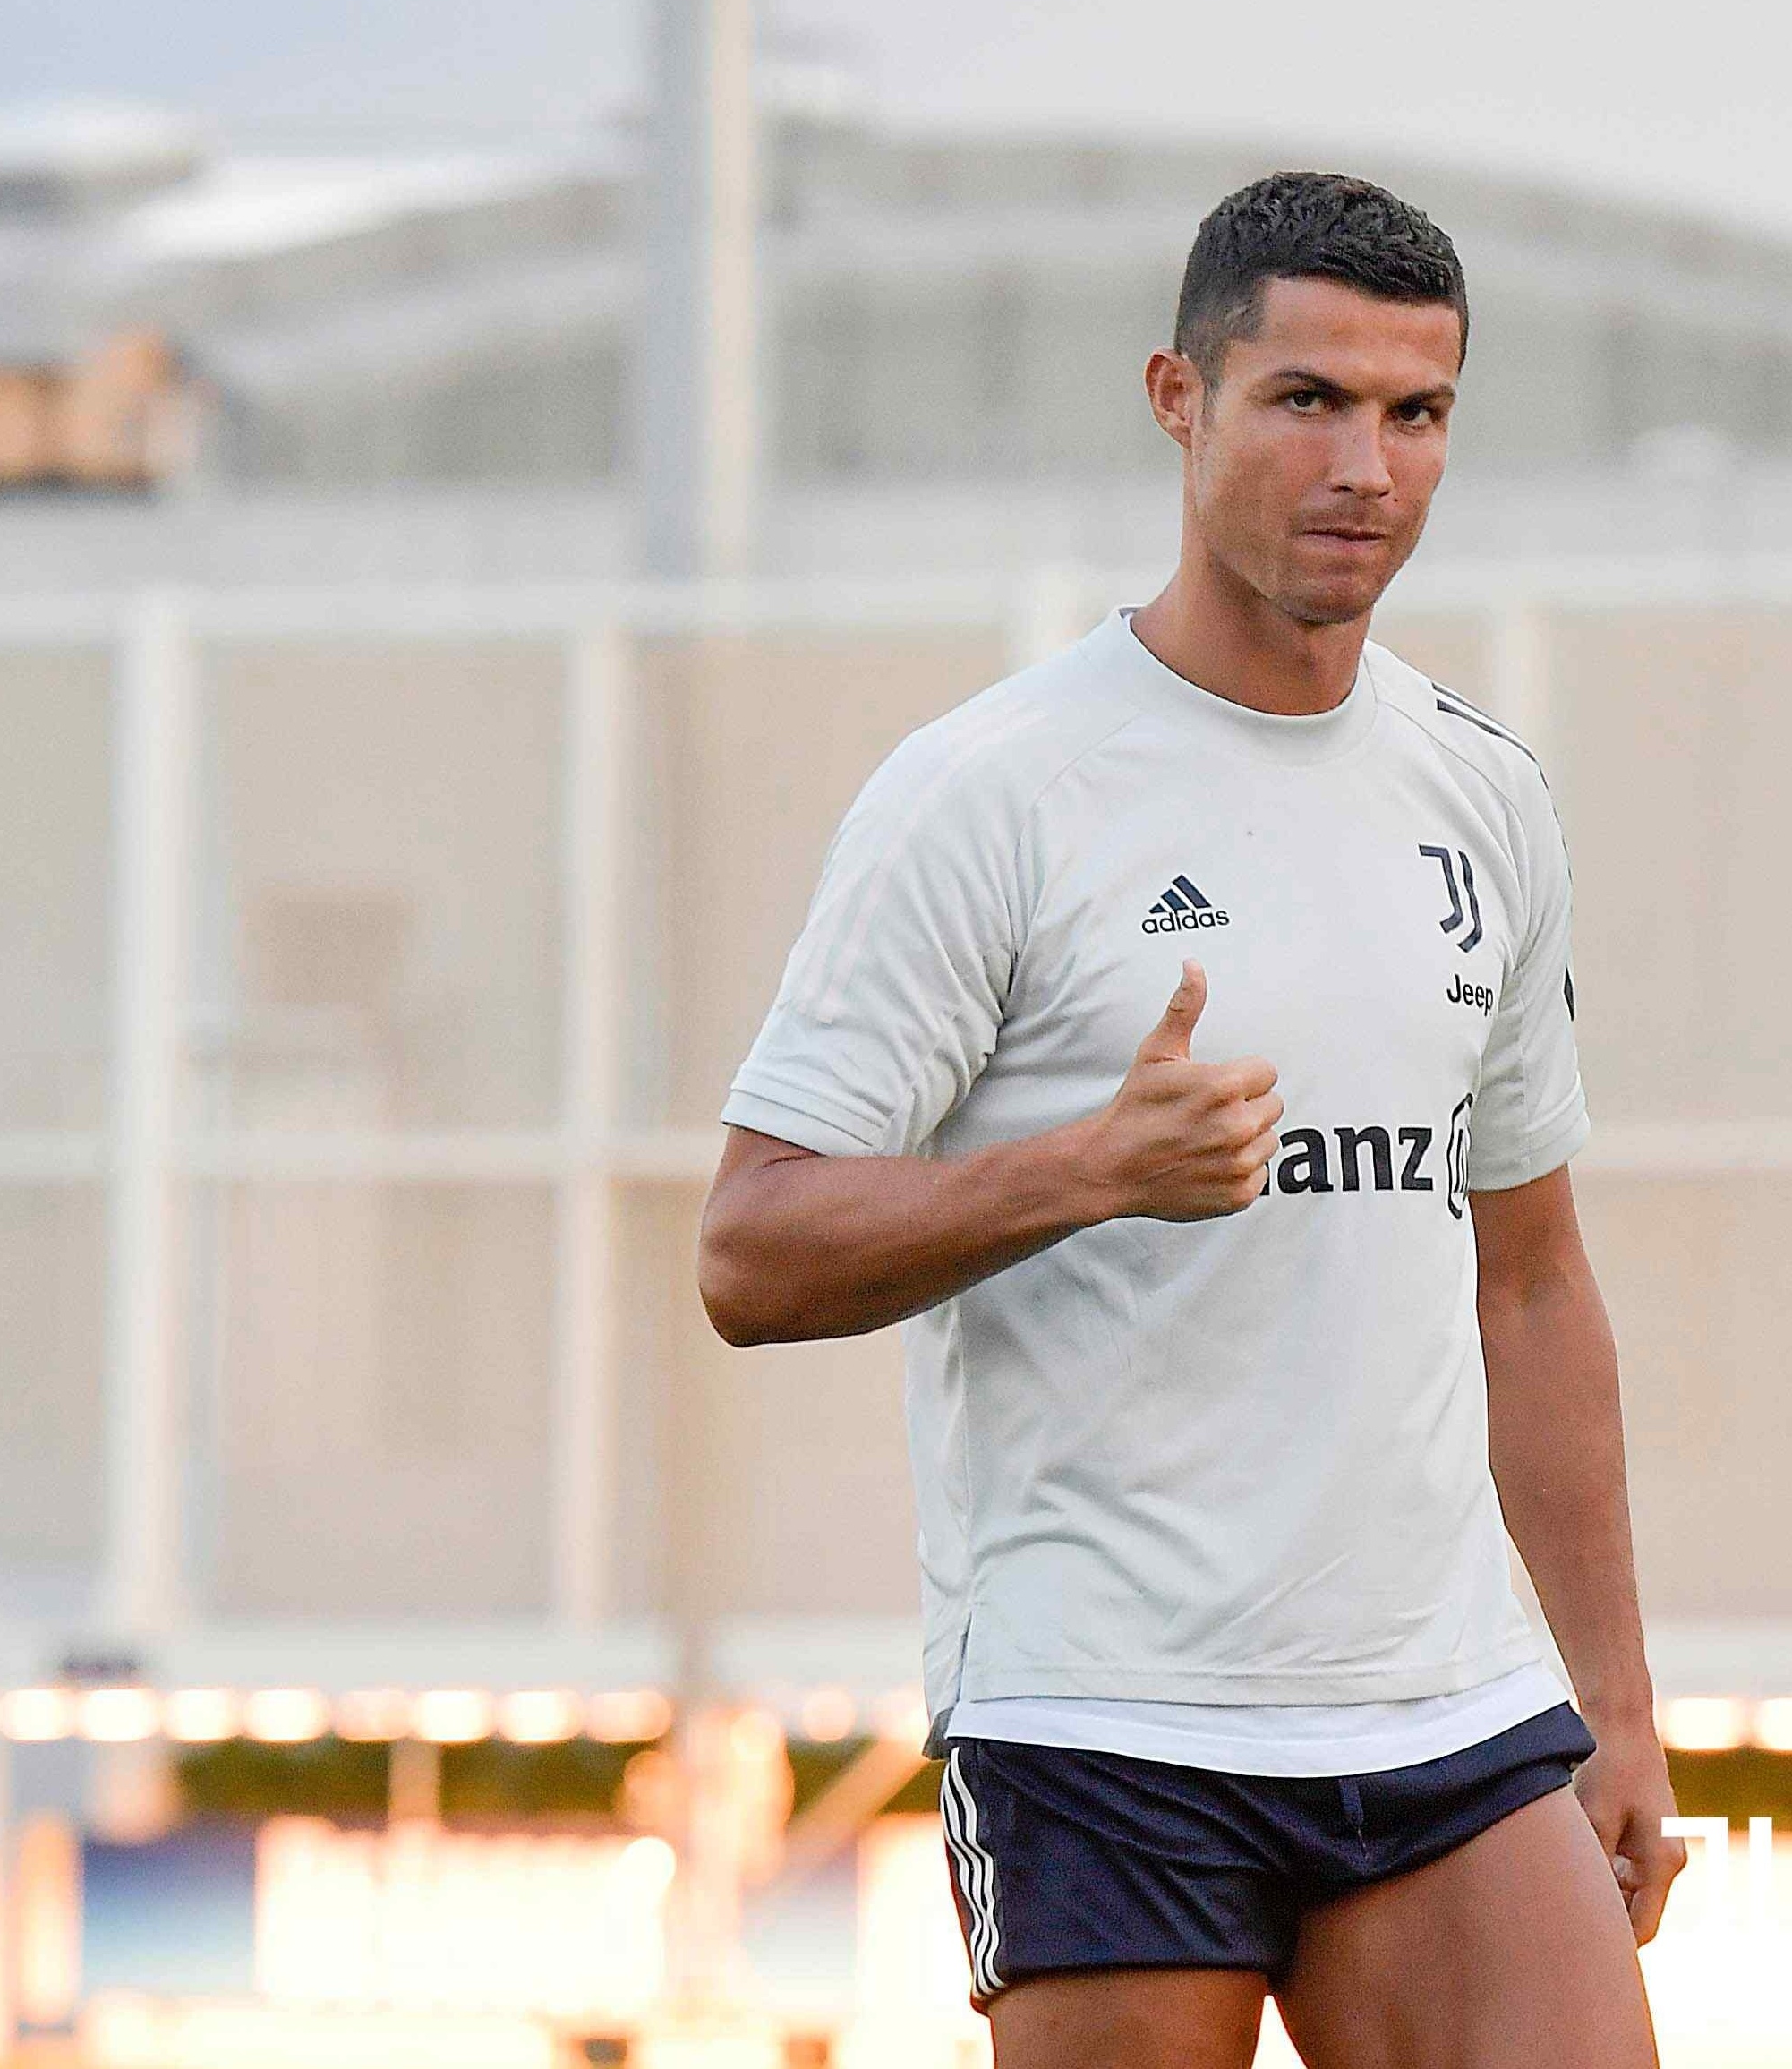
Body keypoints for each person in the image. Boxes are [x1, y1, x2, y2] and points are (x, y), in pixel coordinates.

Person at [698, 172, 1679, 2067]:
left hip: (1443, 1707)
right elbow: (748, 1255)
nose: (1366, 468)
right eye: (1307, 399)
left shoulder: (1484, 795)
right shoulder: (989, 793)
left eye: (1418, 413)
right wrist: (1089, 1171)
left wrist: (1619, 1705)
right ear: (1180, 397)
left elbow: (1538, 1290)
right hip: (1108, 1719)